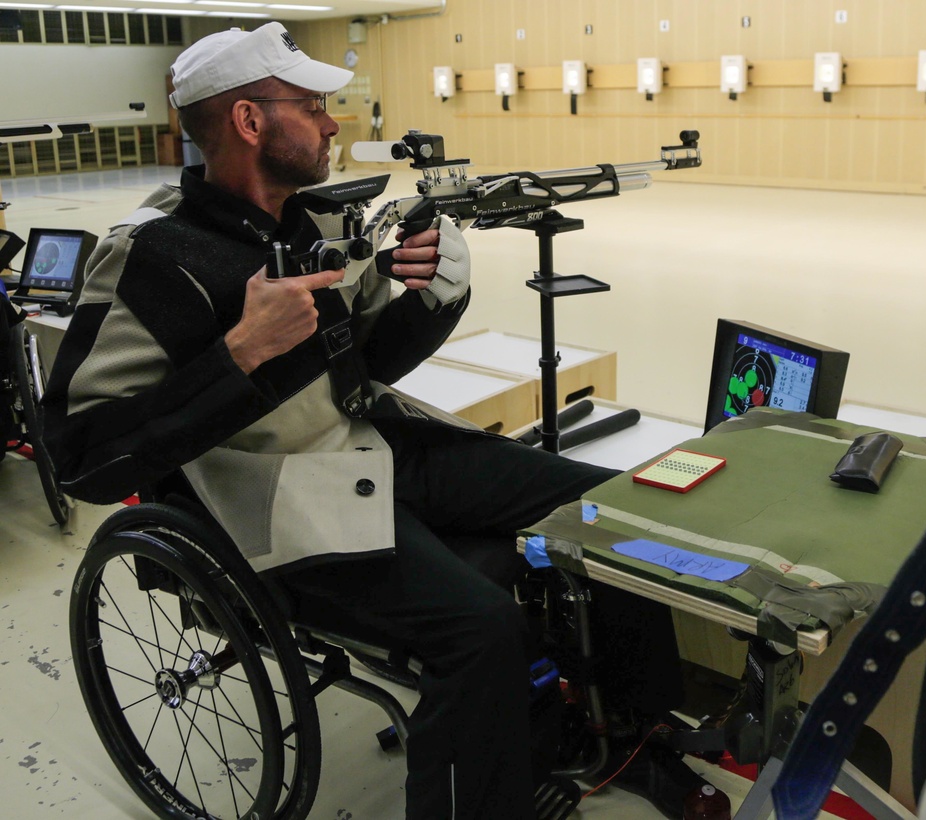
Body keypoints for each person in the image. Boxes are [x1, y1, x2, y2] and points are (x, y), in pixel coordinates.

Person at [42, 22, 698, 819]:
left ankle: (638, 734)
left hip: (377, 446)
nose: (332, 124)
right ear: (250, 122)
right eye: (314, 106)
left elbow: (368, 365)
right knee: (480, 628)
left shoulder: (312, 222)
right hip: (277, 500)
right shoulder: (150, 257)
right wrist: (237, 358)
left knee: (615, 506)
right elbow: (81, 460)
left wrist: (434, 302)